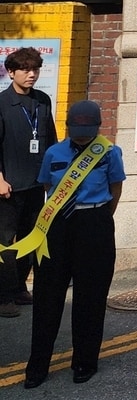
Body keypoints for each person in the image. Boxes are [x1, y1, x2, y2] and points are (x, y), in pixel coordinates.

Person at [22, 101, 123, 388]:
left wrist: (98, 217)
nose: (81, 136)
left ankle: (85, 362)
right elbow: (47, 187)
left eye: (87, 131)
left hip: (94, 223)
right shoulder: (54, 152)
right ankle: (38, 365)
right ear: (68, 127)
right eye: (77, 131)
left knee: (90, 298)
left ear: (98, 126)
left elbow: (115, 188)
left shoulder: (109, 152)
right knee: (47, 296)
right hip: (57, 226)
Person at [0, 47, 58, 318]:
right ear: (11, 72)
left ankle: (20, 286)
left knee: (31, 238)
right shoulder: (2, 103)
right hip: (8, 186)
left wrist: (53, 177)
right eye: (25, 69)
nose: (31, 74)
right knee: (4, 243)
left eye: (35, 69)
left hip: (37, 184)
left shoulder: (42, 101)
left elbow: (51, 142)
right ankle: (3, 296)